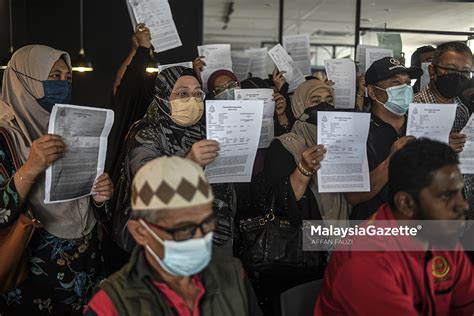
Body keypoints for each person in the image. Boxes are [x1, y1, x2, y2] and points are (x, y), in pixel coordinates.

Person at [0, 45, 113, 315]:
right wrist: (32, 166)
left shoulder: (69, 125)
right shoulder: (5, 136)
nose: (62, 84)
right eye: (53, 76)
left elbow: (94, 205)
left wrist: (100, 196)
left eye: (67, 77)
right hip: (35, 271)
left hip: (86, 260)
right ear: (25, 80)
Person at [314, 139, 474, 315]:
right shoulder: (365, 262)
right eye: (446, 195)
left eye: (459, 192)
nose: (463, 205)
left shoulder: (442, 237)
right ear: (406, 203)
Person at [85, 156, 261, 315]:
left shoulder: (233, 275)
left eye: (205, 223)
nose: (198, 237)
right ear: (141, 231)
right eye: (182, 229)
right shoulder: (110, 306)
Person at [120, 66, 236, 254]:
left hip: (217, 233)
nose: (193, 100)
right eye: (182, 93)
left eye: (198, 94)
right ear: (163, 96)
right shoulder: (146, 132)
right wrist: (190, 162)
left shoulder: (210, 128)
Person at [261, 79, 349, 314]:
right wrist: (304, 169)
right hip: (303, 251)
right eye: (316, 101)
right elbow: (279, 201)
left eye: (330, 101)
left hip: (341, 245)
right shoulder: (284, 145)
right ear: (299, 105)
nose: (324, 106)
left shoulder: (343, 142)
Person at [345, 57, 422, 220]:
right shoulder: (355, 131)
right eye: (396, 83)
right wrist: (391, 161)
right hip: (374, 233)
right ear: (372, 92)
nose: (405, 88)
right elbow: (353, 196)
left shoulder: (420, 125)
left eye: (407, 83)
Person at [413, 41, 474, 215]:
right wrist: (441, 146)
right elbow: (405, 164)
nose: (458, 76)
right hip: (430, 212)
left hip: (464, 209)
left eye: (465, 72)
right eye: (450, 69)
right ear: (432, 71)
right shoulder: (413, 107)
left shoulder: (463, 109)